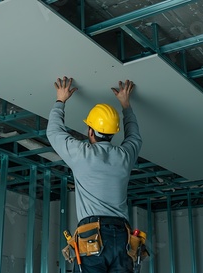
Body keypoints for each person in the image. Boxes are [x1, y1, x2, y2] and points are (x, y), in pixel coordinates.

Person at [47, 76, 142, 273]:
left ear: (90, 131)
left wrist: (60, 100)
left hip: (92, 237)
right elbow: (134, 136)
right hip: (122, 238)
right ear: (114, 133)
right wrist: (126, 105)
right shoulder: (124, 156)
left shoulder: (82, 154)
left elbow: (54, 133)